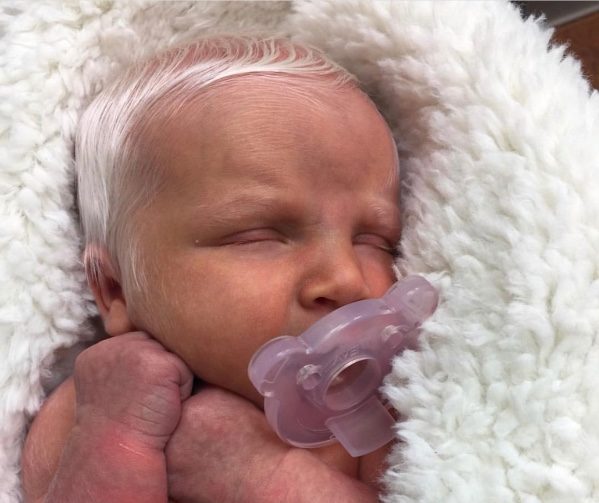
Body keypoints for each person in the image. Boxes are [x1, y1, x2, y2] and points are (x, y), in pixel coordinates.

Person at [20, 36, 402, 502]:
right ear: (115, 289)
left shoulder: (375, 414)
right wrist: (116, 439)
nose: (347, 278)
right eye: (258, 235)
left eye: (375, 240)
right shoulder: (94, 406)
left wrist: (261, 479)